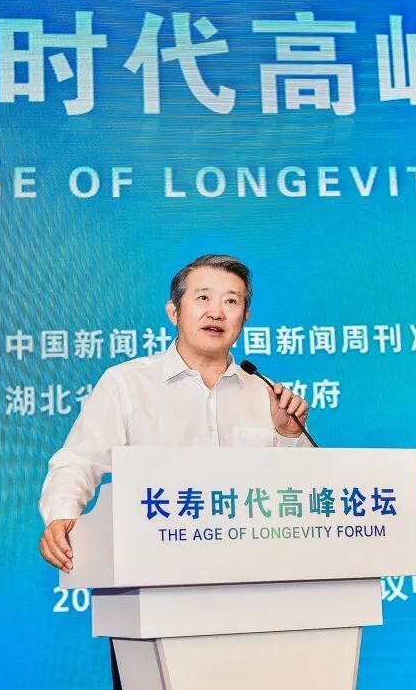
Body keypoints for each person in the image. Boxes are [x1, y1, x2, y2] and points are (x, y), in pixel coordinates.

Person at [37, 253, 312, 689]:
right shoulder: (127, 384)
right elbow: (79, 460)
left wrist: (288, 435)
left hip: (253, 598)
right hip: (151, 592)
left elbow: (304, 499)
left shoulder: (267, 395)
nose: (216, 312)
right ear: (174, 312)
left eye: (231, 301)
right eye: (202, 298)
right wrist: (61, 515)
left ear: (245, 316)